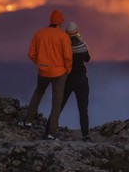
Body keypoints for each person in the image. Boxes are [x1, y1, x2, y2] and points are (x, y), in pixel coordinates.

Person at [23, 9, 72, 140]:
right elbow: (68, 56)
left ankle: (28, 121)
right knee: (56, 102)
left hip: (43, 71)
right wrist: (68, 69)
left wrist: (39, 64)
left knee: (38, 93)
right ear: (60, 23)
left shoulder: (39, 34)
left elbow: (31, 53)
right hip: (60, 72)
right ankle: (51, 133)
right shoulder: (63, 36)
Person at [60, 21, 92, 141]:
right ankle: (86, 135)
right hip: (82, 80)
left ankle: (49, 131)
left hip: (68, 80)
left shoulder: (65, 47)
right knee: (83, 109)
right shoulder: (83, 45)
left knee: (59, 105)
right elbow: (87, 59)